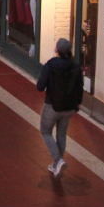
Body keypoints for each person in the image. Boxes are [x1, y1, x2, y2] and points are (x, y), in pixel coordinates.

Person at [36, 37, 83, 177]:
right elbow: (79, 88)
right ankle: (56, 165)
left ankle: (58, 160)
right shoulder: (75, 66)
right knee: (61, 134)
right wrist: (77, 104)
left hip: (52, 106)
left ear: (56, 50)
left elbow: (40, 86)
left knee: (45, 131)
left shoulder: (51, 65)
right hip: (69, 107)